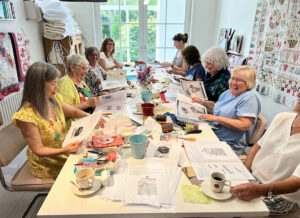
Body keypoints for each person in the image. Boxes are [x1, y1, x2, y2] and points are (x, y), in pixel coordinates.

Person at [12, 62, 88, 179]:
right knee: (84, 172)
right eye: (53, 83)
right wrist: (64, 150)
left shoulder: (54, 99)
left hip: (63, 150)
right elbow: (38, 150)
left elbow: (73, 112)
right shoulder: (27, 116)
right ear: (39, 86)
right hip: (47, 163)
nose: (56, 87)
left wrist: (92, 118)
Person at [230, 92, 300, 216]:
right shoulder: (282, 117)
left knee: (229, 207)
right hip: (253, 178)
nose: (298, 94)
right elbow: (257, 147)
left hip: (278, 195)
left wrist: (260, 190)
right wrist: (244, 173)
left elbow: (295, 183)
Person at [193, 66, 261, 153]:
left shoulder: (249, 98)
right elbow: (217, 110)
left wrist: (216, 118)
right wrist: (203, 102)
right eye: (233, 78)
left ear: (249, 83)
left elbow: (244, 125)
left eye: (239, 80)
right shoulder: (228, 93)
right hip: (213, 135)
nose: (234, 83)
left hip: (227, 145)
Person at [57, 54, 99, 129]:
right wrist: (87, 104)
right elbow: (64, 110)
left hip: (89, 123)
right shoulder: (64, 83)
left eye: (87, 69)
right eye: (83, 68)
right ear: (72, 67)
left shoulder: (81, 82)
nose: (86, 72)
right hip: (75, 128)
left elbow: (90, 98)